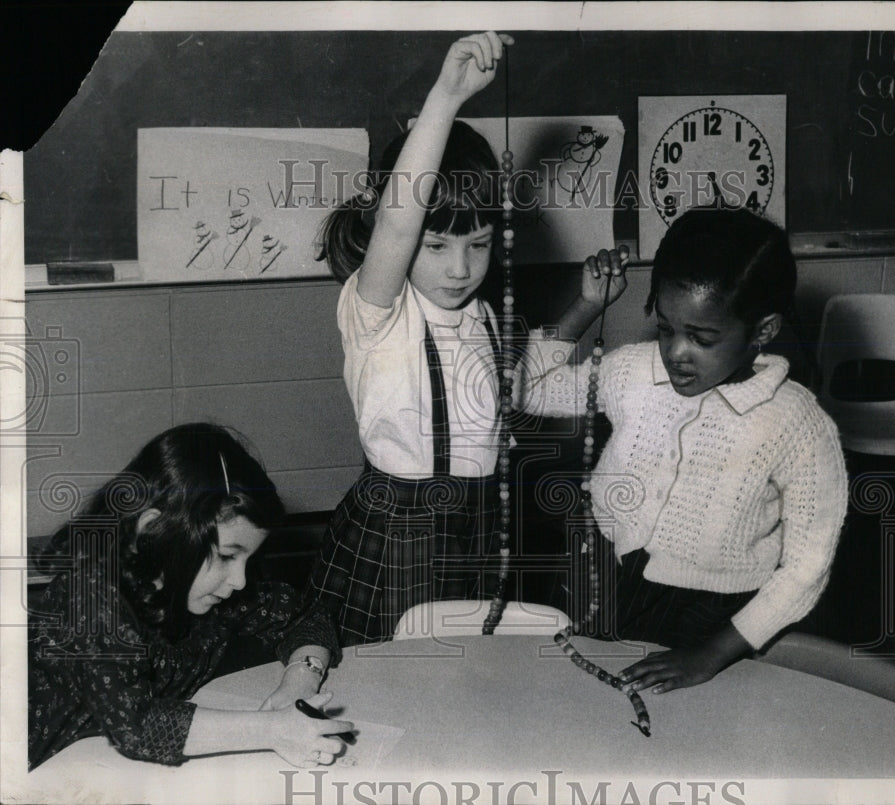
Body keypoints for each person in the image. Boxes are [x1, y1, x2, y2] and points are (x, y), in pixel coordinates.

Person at [311, 31, 628, 646]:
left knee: (463, 675)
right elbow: (401, 217)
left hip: (482, 523)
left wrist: (586, 307)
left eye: (478, 245)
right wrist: (446, 97)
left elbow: (522, 376)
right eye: (437, 246)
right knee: (392, 679)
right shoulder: (378, 312)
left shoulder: (486, 317)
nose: (460, 269)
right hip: (399, 533)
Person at [517, 206, 849, 693]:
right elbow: (528, 390)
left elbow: (806, 568)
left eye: (702, 337)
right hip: (594, 576)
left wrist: (710, 656)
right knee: (571, 708)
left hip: (704, 619)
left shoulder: (797, 424)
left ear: (763, 331)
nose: (676, 352)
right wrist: (585, 307)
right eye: (668, 328)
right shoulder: (632, 371)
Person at [29, 423, 350, 770]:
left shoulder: (204, 585)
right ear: (155, 532)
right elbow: (137, 724)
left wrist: (300, 680)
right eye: (228, 556)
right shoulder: (86, 596)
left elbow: (306, 617)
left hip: (118, 771)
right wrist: (273, 729)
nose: (240, 580)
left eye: (248, 559)